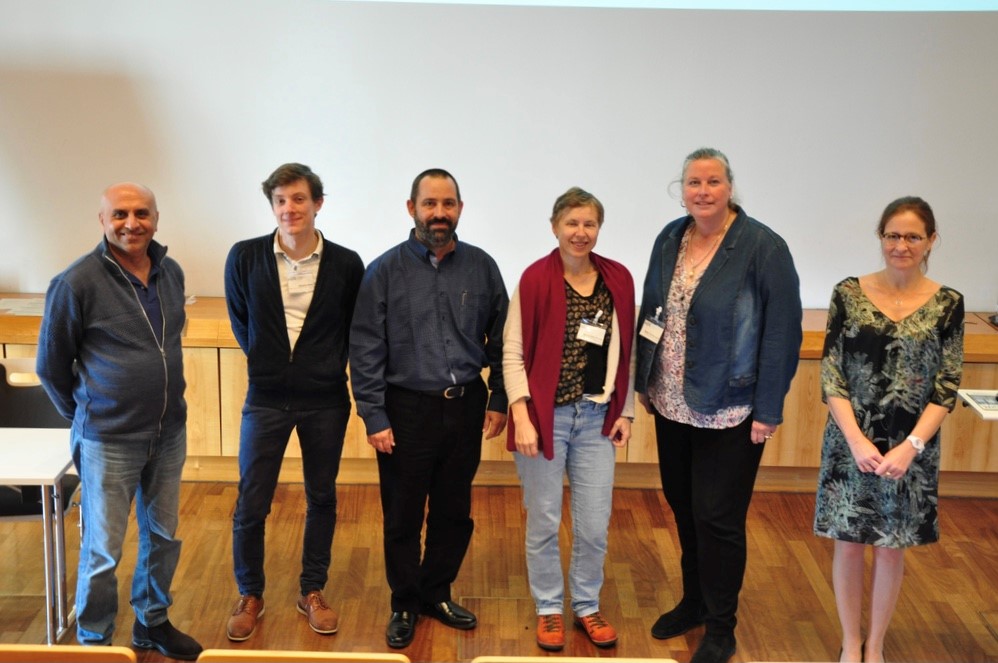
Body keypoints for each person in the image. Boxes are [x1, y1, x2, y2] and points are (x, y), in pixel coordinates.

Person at [635, 148, 803, 663]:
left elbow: (782, 333)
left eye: (712, 181)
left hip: (730, 406)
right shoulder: (671, 236)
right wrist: (644, 376)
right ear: (680, 189)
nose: (702, 191)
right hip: (671, 399)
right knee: (683, 505)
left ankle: (722, 627)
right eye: (692, 183)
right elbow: (652, 303)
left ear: (729, 186)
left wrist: (769, 409)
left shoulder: (762, 248)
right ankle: (694, 602)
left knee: (718, 517)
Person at [35, 183, 202, 660]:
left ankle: (152, 623)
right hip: (108, 439)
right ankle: (95, 642)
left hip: (169, 433)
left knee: (164, 537)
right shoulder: (76, 282)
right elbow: (51, 366)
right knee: (103, 551)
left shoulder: (170, 272)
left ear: (156, 218)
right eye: (121, 214)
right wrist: (87, 414)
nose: (132, 223)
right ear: (102, 220)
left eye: (142, 213)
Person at [349, 168, 509, 649]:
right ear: (411, 208)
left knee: (453, 510)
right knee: (402, 513)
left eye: (449, 203)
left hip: (464, 407)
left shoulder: (481, 267)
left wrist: (499, 397)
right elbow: (366, 347)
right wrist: (374, 416)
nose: (439, 213)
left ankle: (437, 592)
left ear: (460, 208)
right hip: (405, 411)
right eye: (430, 203)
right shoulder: (384, 270)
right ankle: (404, 600)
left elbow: (502, 338)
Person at [813, 197, 963, 663]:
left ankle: (875, 644)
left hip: (910, 451)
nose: (901, 245)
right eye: (892, 235)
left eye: (912, 236)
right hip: (849, 442)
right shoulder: (848, 293)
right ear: (881, 238)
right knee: (850, 544)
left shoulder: (948, 304)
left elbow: (946, 385)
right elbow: (831, 372)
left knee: (893, 548)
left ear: (931, 241)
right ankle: (851, 642)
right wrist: (856, 440)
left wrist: (912, 447)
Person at [223, 163, 364, 641]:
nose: (290, 209)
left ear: (317, 203)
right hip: (265, 398)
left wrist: (319, 365)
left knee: (321, 496)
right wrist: (271, 362)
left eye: (299, 199)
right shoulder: (244, 257)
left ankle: (312, 589)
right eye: (281, 200)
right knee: (251, 501)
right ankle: (250, 593)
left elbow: (351, 329)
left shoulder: (347, 264)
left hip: (325, 399)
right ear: (273, 207)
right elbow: (244, 324)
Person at [503, 187, 635, 652]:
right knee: (542, 520)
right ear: (555, 225)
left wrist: (627, 409)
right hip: (546, 418)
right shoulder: (535, 279)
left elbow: (627, 354)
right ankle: (548, 609)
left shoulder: (618, 278)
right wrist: (522, 414)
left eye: (590, 224)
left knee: (594, 523)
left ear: (599, 228)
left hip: (597, 418)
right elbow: (513, 353)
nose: (581, 233)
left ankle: (585, 605)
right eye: (572, 223)